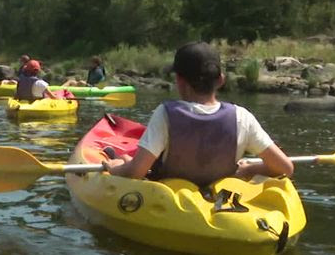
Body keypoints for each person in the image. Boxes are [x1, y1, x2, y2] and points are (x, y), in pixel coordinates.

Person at [102, 42, 294, 186]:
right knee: (129, 161)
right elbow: (285, 168)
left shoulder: (166, 114)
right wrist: (250, 168)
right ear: (220, 80)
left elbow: (136, 171)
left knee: (126, 162)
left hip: (169, 200)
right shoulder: (242, 117)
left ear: (179, 80)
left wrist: (115, 168)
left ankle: (118, 159)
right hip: (218, 195)